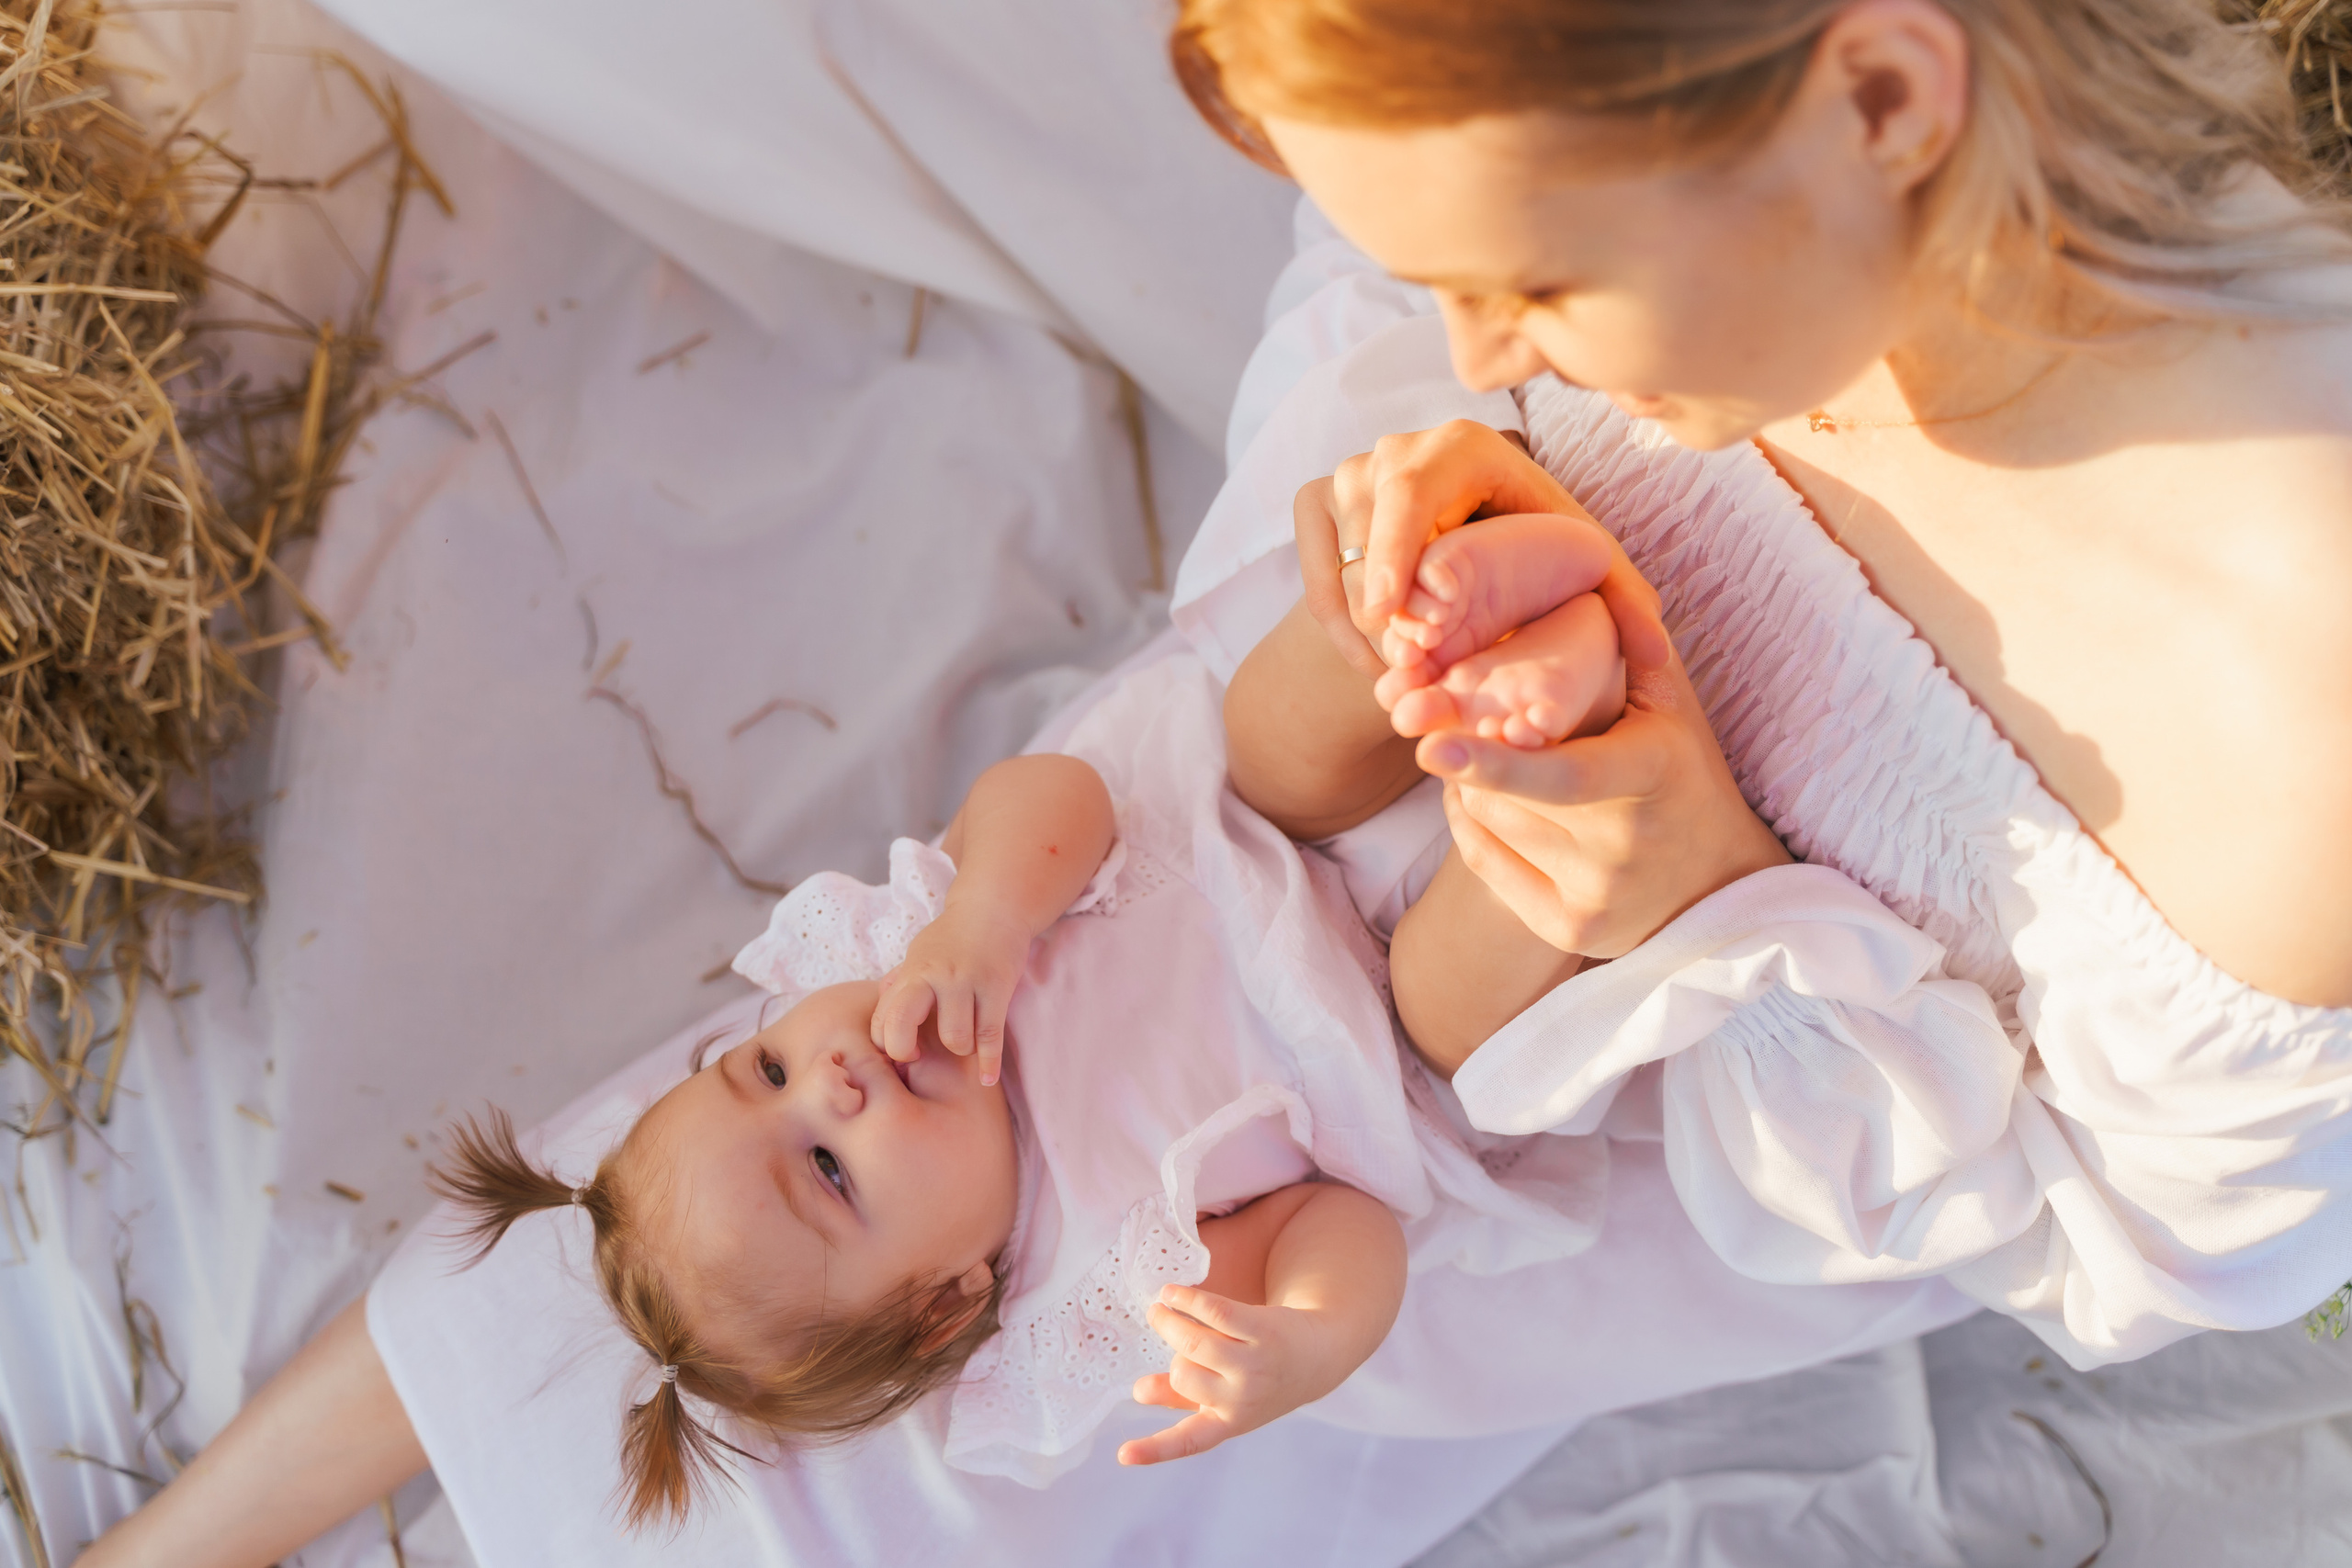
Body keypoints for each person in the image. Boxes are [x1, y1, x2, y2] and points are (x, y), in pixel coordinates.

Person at [1171, 0, 2352, 1367]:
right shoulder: (1696, 187)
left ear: (1883, 101)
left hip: (1781, 1185)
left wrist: (1717, 901)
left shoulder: (2287, 754)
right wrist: (1439, 496)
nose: (1481, 353)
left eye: (1533, 285)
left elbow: (2109, 1251)